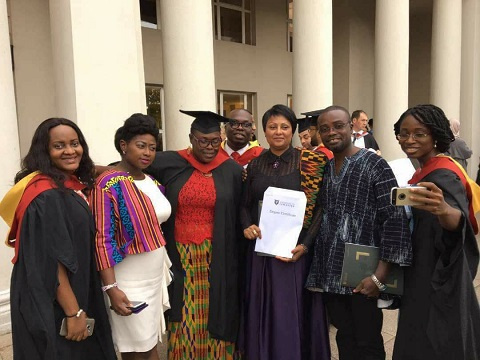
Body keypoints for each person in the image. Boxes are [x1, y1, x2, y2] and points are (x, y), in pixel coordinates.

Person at [0, 118, 116, 360]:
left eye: (75, 143)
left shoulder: (61, 185)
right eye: (59, 146)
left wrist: (111, 169)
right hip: (55, 297)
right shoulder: (47, 196)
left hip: (68, 291)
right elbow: (52, 261)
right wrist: (74, 314)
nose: (70, 151)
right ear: (45, 151)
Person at [305, 106, 412, 360]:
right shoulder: (328, 168)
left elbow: (394, 219)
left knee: (367, 342)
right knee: (344, 336)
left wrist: (379, 277)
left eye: (338, 125)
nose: (332, 132)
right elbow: (324, 214)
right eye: (324, 128)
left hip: (364, 276)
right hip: (333, 275)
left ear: (351, 128)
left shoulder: (375, 164)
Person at [146, 110, 243, 359]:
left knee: (216, 309)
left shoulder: (231, 170)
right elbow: (130, 167)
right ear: (191, 137)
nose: (210, 147)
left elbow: (241, 208)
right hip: (180, 256)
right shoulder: (169, 162)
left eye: (215, 141)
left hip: (217, 254)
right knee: (184, 310)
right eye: (203, 141)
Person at [240, 104, 330, 360]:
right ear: (264, 132)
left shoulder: (310, 162)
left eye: (284, 127)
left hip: (296, 253)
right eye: (272, 127)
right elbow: (244, 205)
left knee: (292, 311)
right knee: (263, 309)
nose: (278, 132)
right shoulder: (255, 165)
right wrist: (247, 226)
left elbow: (321, 208)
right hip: (262, 252)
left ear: (292, 131)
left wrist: (306, 245)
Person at [392, 104, 480, 360]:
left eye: (419, 133)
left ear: (435, 135)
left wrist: (444, 210)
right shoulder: (423, 170)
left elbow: (458, 222)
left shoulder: (443, 174)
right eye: (404, 133)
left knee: (430, 339)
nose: (410, 139)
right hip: (421, 267)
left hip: (434, 275)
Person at [90, 114, 172, 360]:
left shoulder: (151, 181)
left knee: (148, 344)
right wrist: (111, 287)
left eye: (152, 147)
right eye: (141, 145)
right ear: (124, 145)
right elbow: (102, 238)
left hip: (154, 275)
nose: (147, 152)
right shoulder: (107, 184)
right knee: (138, 349)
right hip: (128, 279)